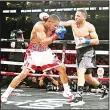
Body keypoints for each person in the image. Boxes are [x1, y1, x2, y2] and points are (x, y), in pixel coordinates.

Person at [1, 13, 74, 103]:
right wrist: (56, 35)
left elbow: (67, 23)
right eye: (55, 26)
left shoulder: (52, 22)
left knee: (62, 68)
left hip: (45, 51)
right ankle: (5, 95)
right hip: (34, 52)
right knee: (23, 74)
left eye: (57, 26)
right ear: (49, 22)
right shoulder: (39, 26)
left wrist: (75, 22)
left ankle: (67, 91)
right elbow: (43, 42)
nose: (56, 28)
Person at [59, 9, 108, 104]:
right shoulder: (72, 23)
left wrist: (86, 41)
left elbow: (96, 41)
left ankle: (79, 96)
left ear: (84, 17)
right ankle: (104, 89)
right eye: (75, 15)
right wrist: (48, 19)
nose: (75, 17)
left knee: (80, 71)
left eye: (78, 16)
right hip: (79, 51)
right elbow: (61, 23)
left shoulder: (89, 26)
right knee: (88, 78)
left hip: (88, 51)